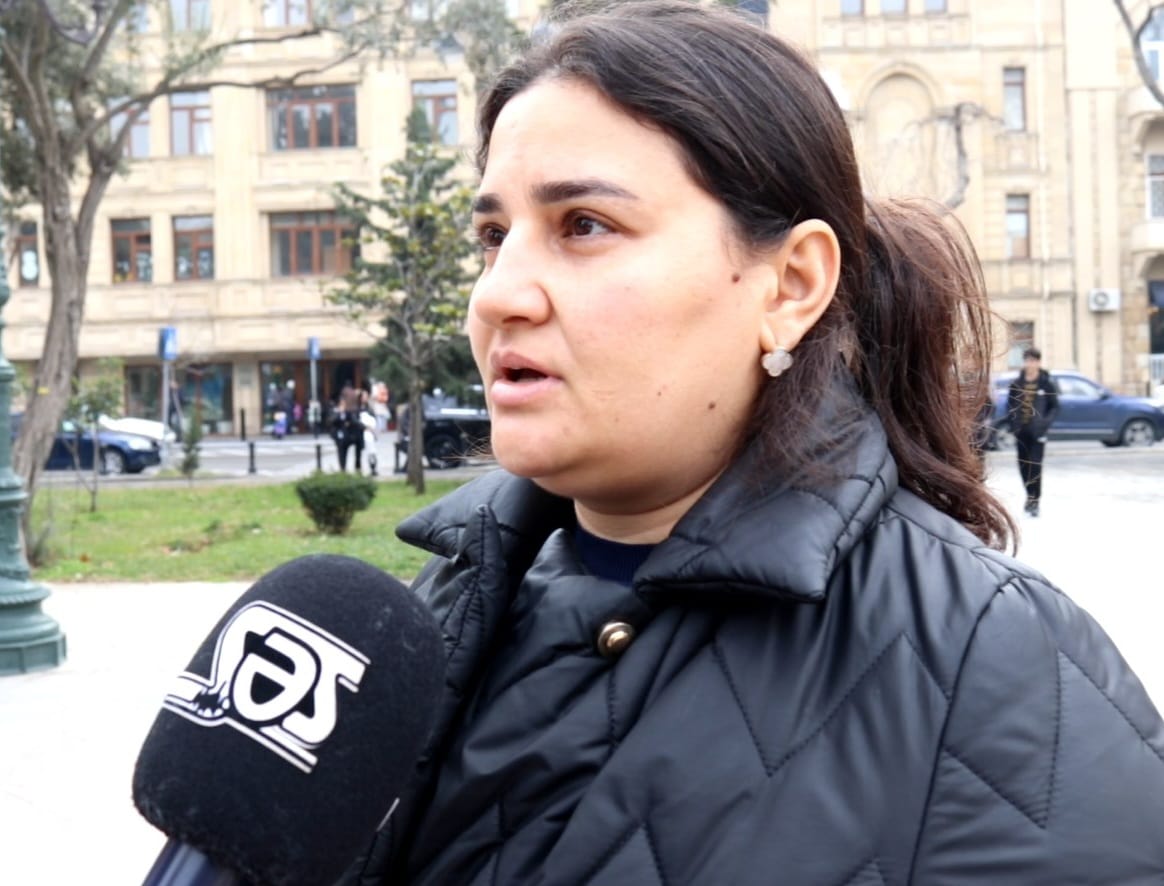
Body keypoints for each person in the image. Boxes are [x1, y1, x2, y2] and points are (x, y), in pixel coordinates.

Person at [343, 4, 1164, 883]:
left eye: (584, 225)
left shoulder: (994, 664)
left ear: (792, 284)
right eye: (493, 236)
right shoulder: (435, 607)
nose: (497, 295)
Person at [1006, 346, 1059, 517]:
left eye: (1034, 361)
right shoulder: (1017, 384)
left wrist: (1045, 423)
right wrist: (1013, 424)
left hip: (1038, 432)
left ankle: (1035, 500)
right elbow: (1010, 405)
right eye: (1028, 360)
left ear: (1038, 362)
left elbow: (1054, 407)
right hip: (1021, 431)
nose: (1030, 364)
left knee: (1035, 466)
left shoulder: (1046, 383)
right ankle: (1029, 495)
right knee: (1023, 466)